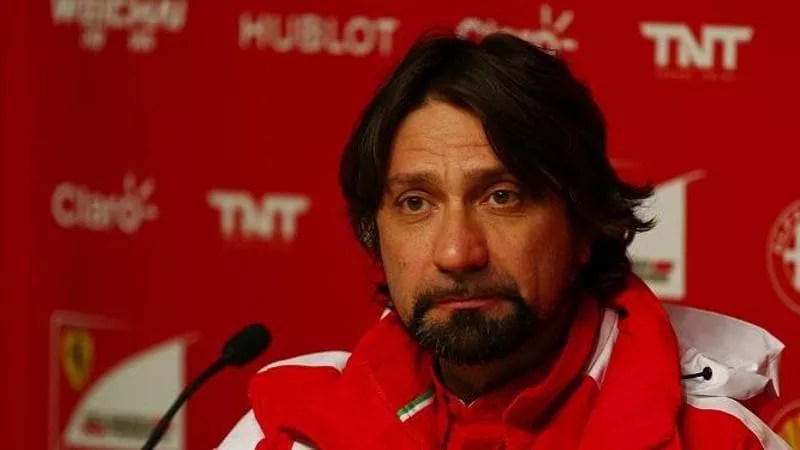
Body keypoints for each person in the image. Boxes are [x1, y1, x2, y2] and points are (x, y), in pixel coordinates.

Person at [218, 32, 788, 449]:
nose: (456, 253)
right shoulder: (285, 432)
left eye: (502, 197)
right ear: (375, 231)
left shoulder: (718, 439)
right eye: (415, 203)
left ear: (583, 223)